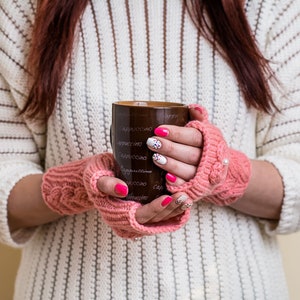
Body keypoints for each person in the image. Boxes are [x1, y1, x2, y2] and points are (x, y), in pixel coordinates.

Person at [0, 0, 299, 299]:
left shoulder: (269, 6)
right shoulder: (23, 7)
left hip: (237, 289)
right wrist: (78, 186)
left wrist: (221, 170)